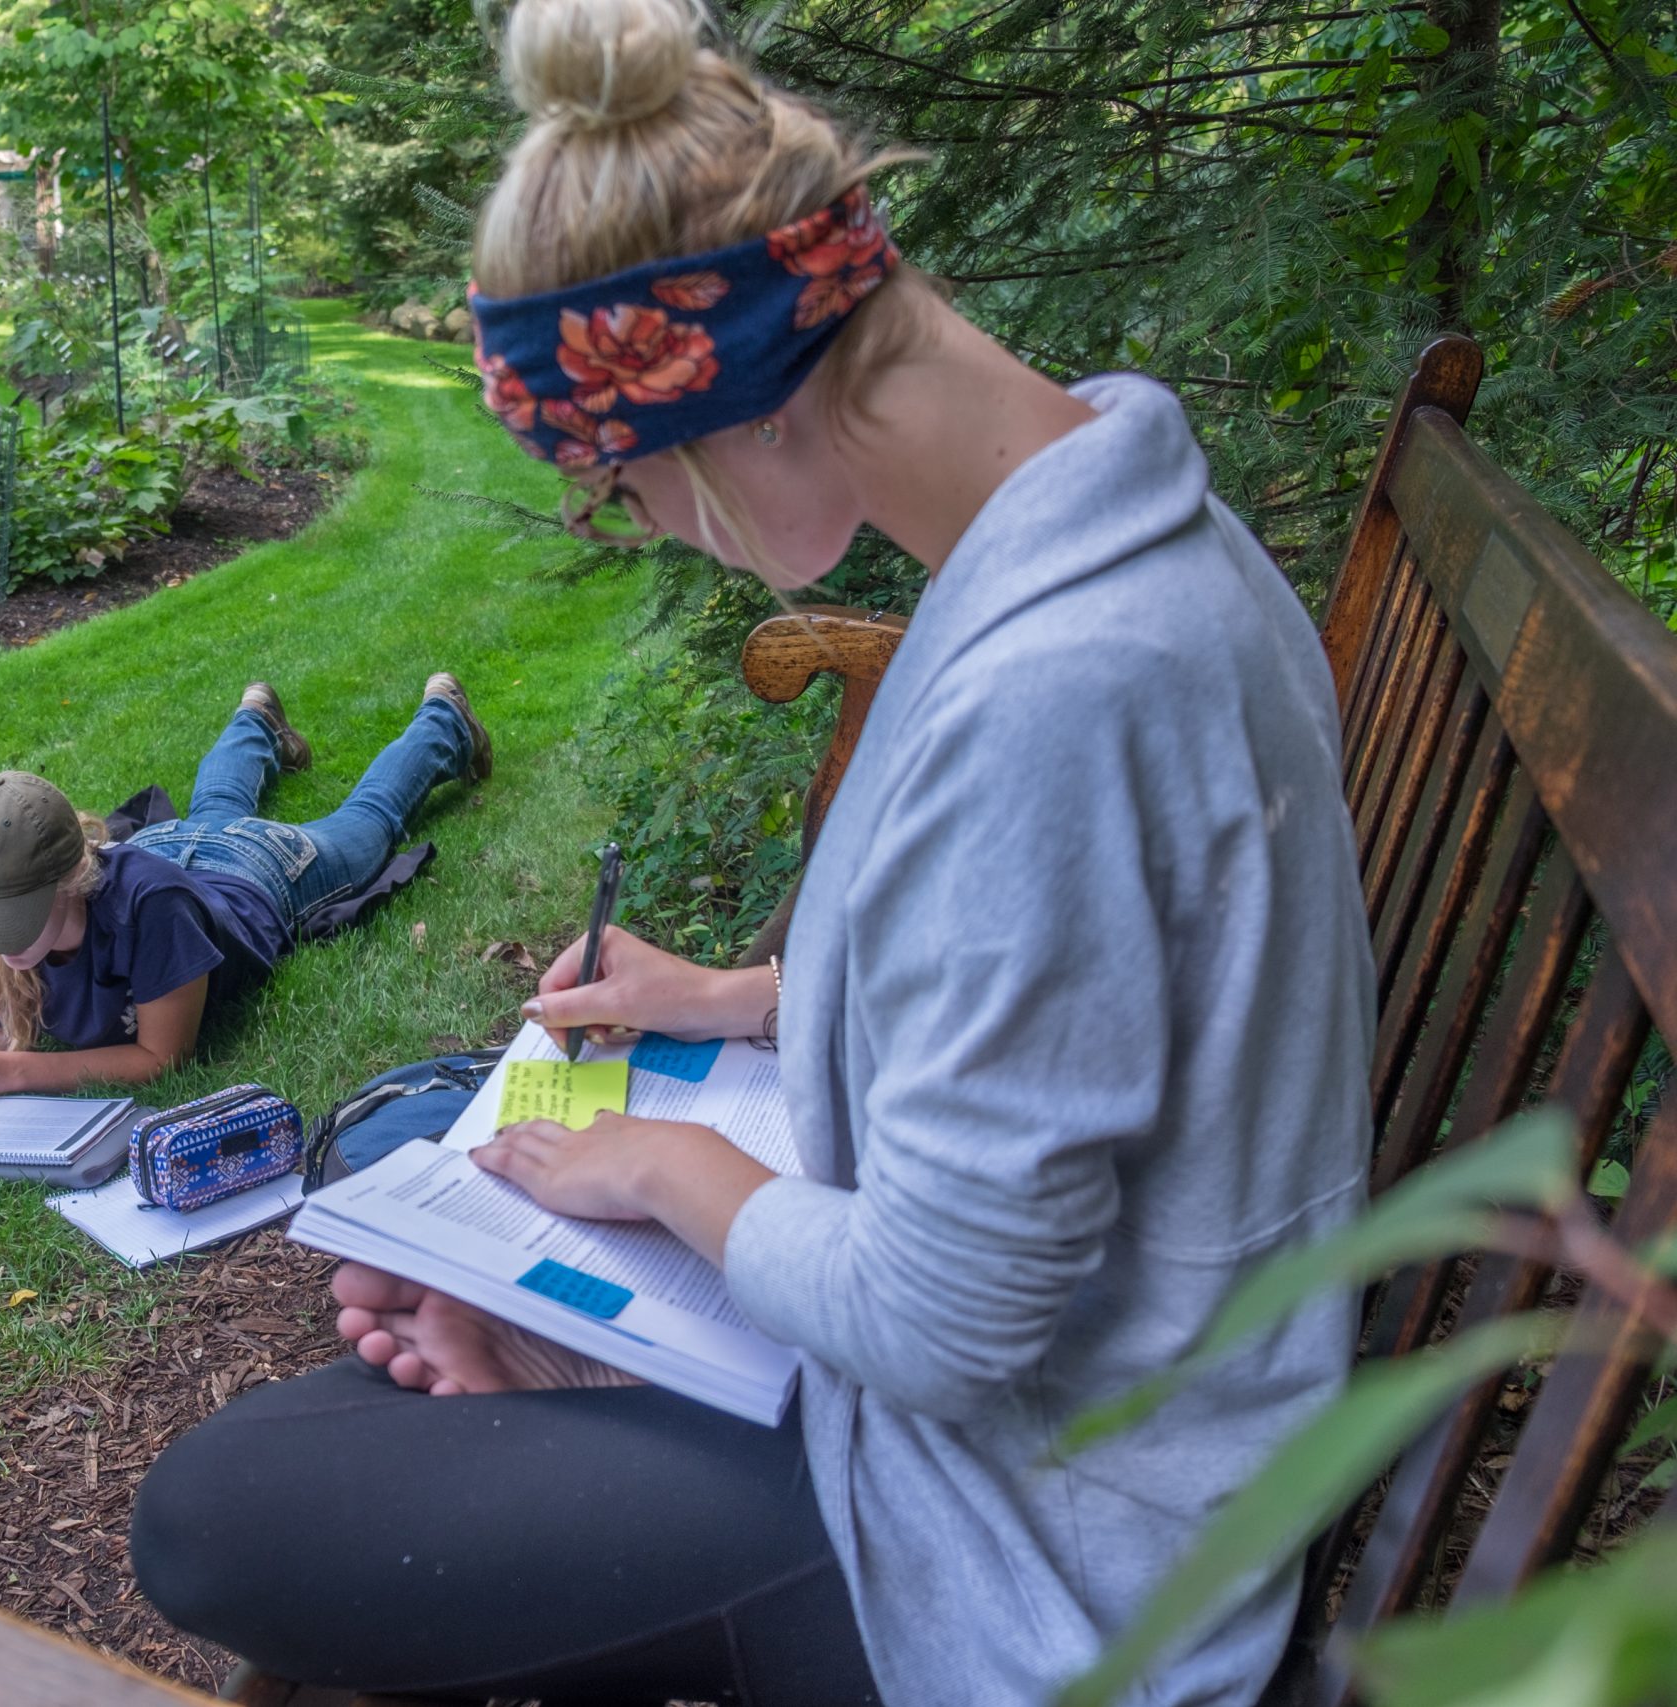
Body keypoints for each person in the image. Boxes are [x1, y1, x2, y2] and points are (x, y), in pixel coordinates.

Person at [128, 2, 1373, 1703]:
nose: (634, 526)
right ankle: (566, 1373)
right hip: (1058, 1441)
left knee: (222, 1508)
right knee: (418, 1235)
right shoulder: (1123, 545)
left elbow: (951, 1323)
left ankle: (579, 1393)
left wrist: (665, 1173)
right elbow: (1072, 1006)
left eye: (615, 485)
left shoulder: (1065, 693)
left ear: (742, 404)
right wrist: (736, 996)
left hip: (1036, 1554)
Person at [0, 677, 492, 1121]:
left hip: (252, 869)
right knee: (212, 807)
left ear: (70, 878)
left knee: (368, 821)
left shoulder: (151, 908)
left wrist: (8, 1074)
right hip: (166, 844)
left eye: (14, 916)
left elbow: (161, 1058)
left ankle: (446, 720)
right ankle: (257, 721)